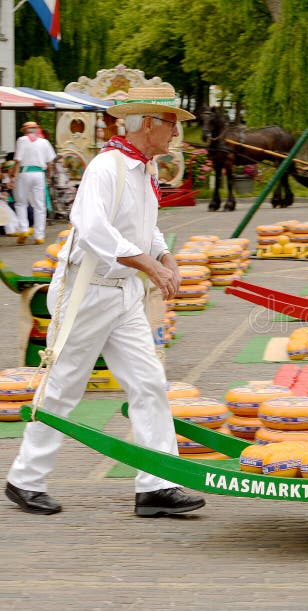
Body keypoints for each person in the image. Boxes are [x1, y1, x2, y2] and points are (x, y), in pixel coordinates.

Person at [5, 86, 205, 517]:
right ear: (147, 124)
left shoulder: (143, 170)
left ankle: (157, 484)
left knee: (148, 382)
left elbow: (145, 229)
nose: (175, 133)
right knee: (63, 387)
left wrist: (165, 257)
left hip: (123, 293)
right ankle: (25, 479)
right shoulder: (106, 167)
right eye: (170, 123)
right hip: (87, 291)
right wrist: (151, 268)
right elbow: (93, 227)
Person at [11, 121, 56, 245]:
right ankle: (39, 235)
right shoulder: (44, 142)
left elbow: (18, 160)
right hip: (39, 174)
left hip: (24, 173)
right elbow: (50, 163)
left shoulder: (22, 140)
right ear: (36, 130)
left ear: (26, 130)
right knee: (40, 206)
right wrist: (49, 176)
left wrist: (13, 176)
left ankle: (23, 229)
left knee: (21, 203)